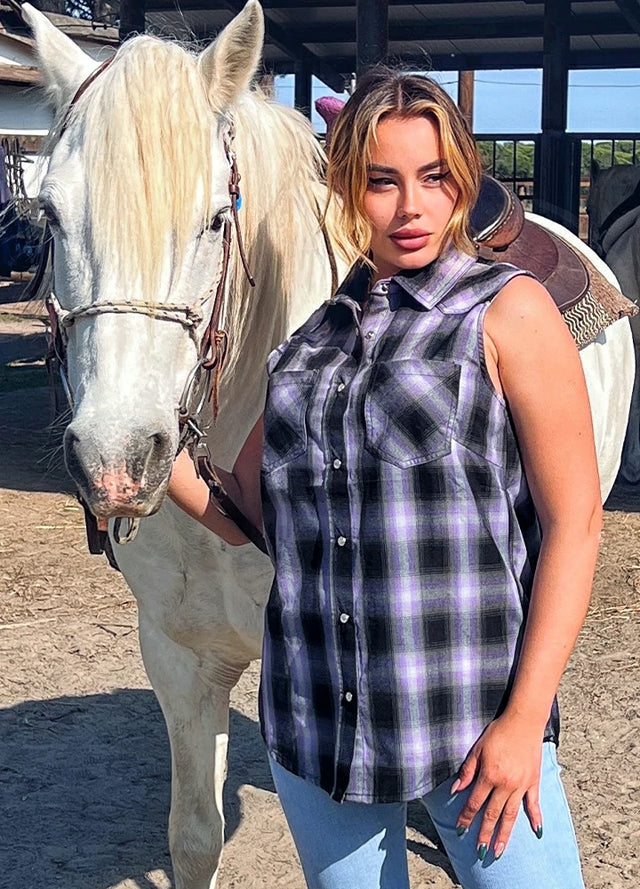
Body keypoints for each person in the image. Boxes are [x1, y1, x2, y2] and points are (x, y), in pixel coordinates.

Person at [167, 69, 600, 889]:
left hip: (473, 721)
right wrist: (146, 460)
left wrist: (523, 721)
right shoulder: (307, 347)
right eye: (382, 181)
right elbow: (248, 508)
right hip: (318, 728)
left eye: (434, 177)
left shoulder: (507, 312)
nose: (411, 207)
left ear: (462, 180)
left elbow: (574, 523)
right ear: (346, 188)